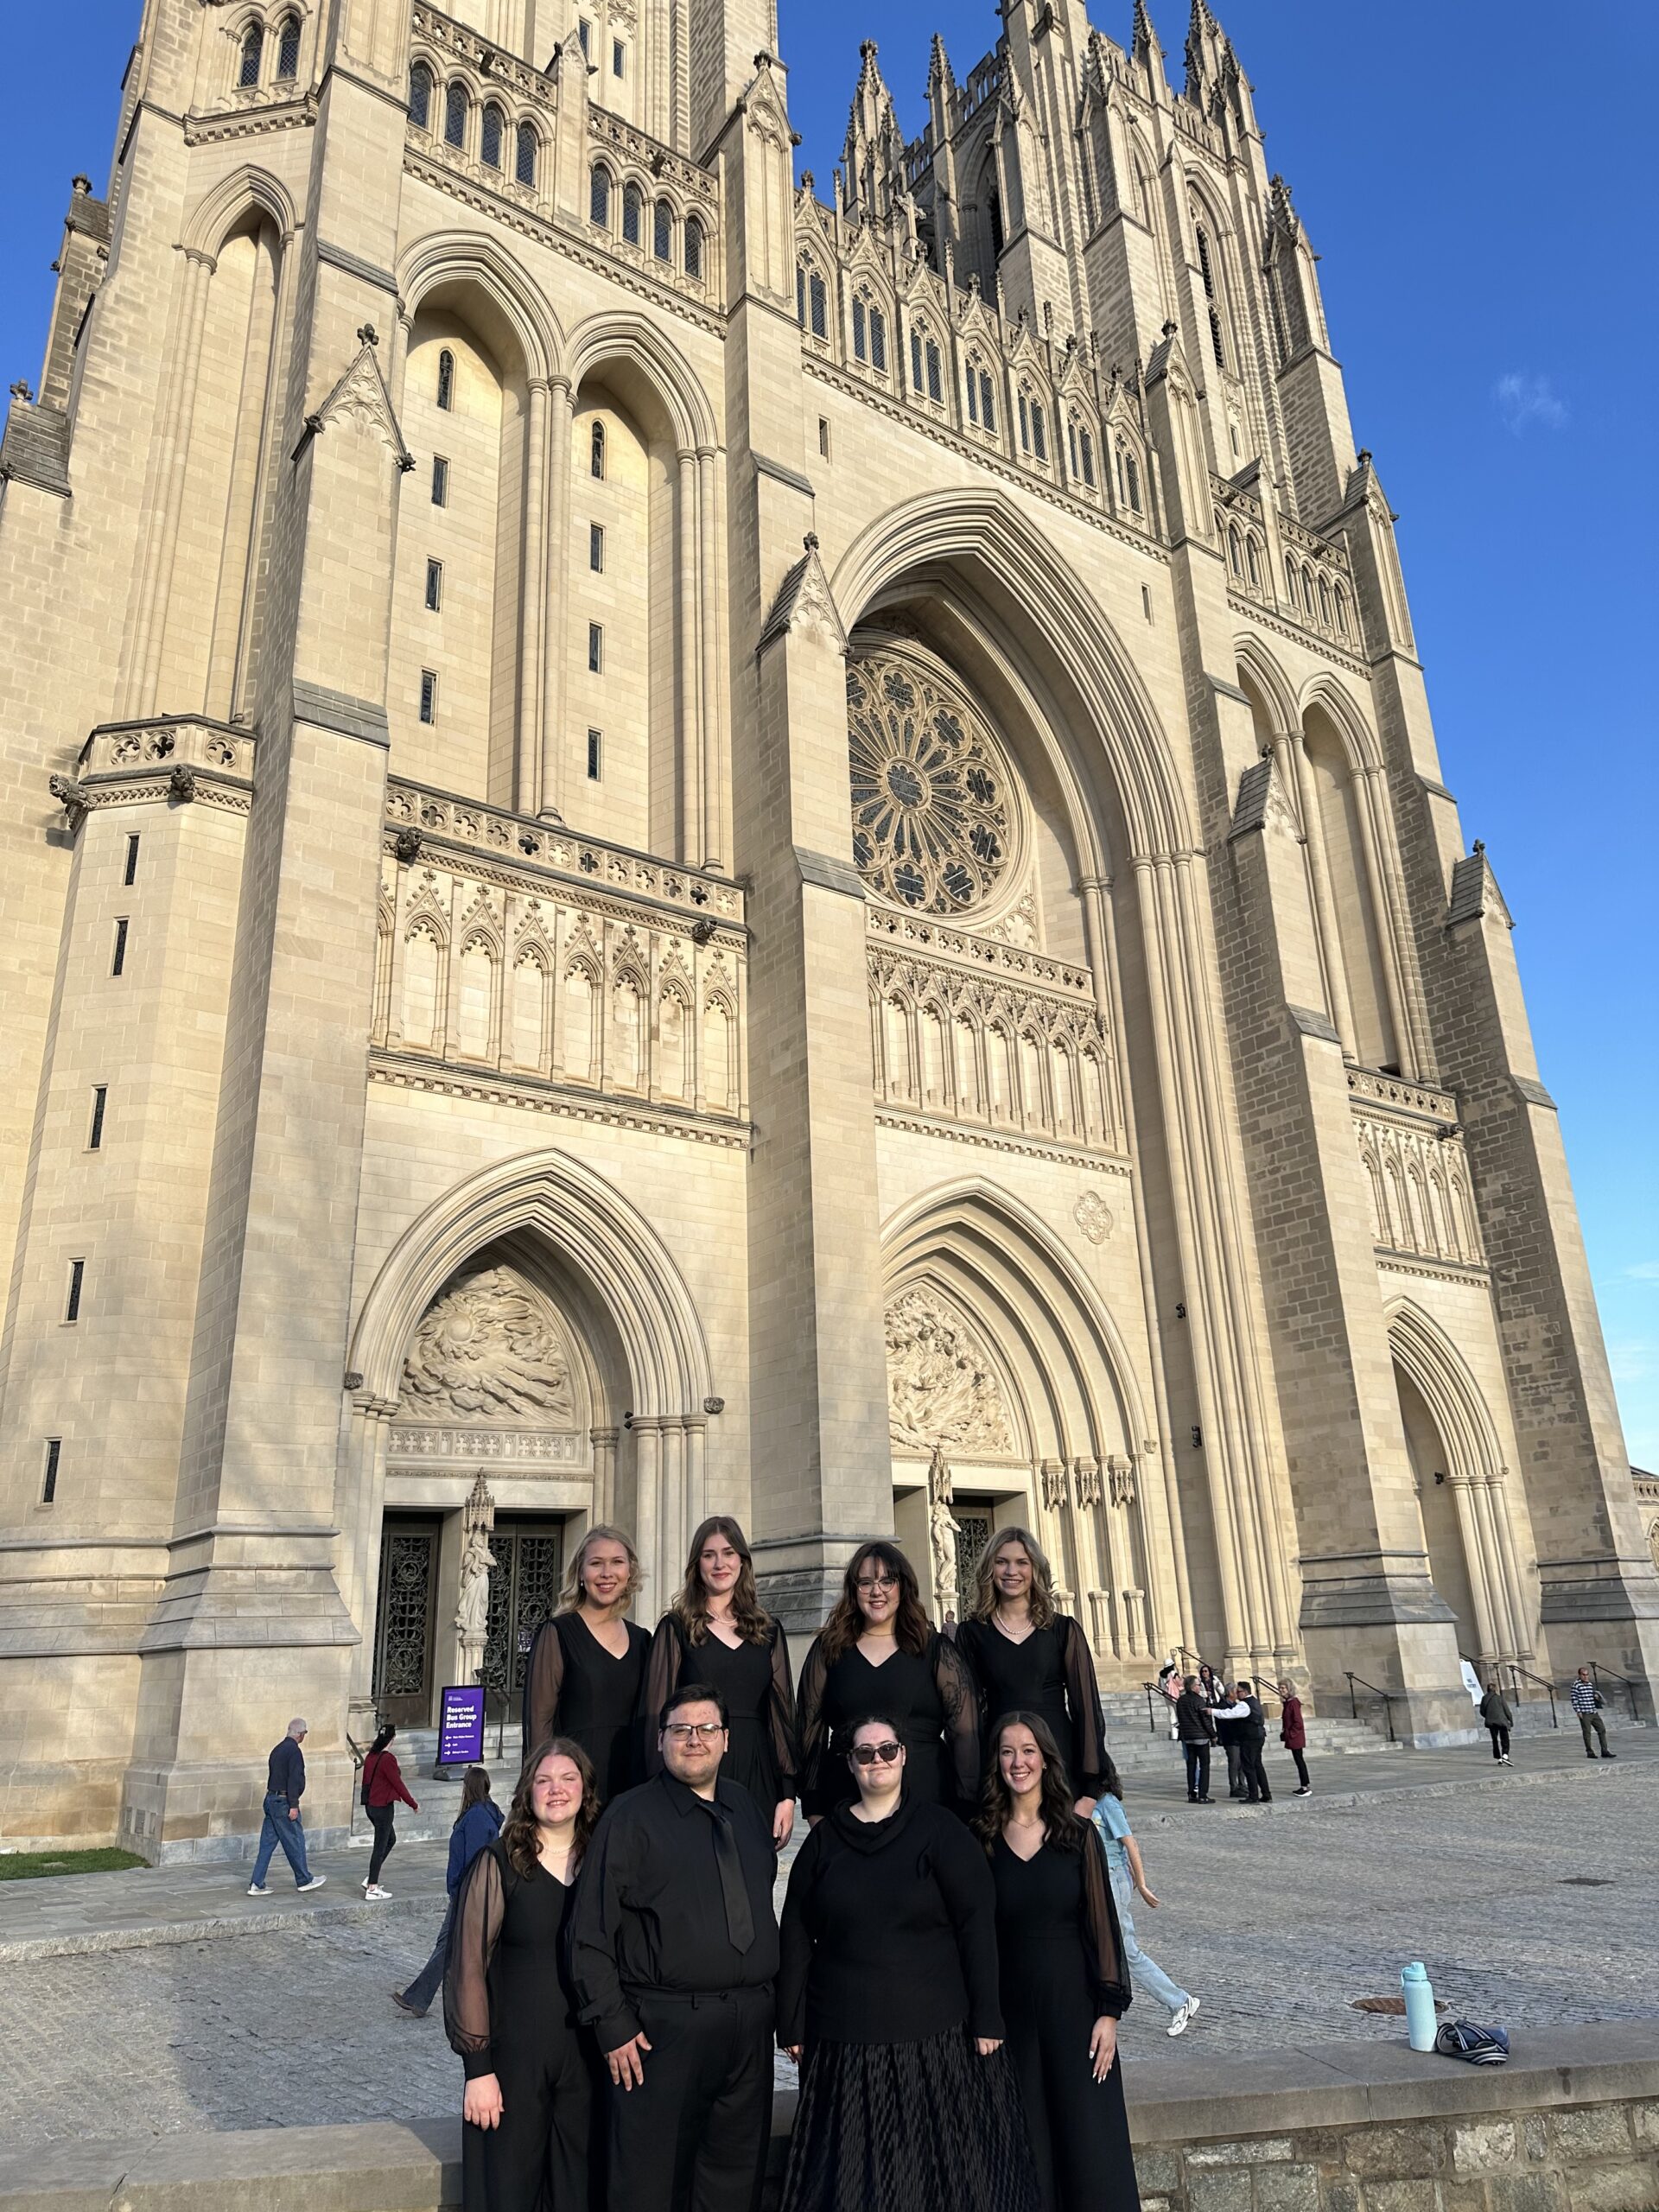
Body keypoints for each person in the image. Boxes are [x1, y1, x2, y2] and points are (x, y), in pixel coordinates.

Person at [778, 1713, 1039, 2212]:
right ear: (850, 1764)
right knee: (853, 2182)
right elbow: (795, 1929)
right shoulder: (824, 1842)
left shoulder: (941, 1830)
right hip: (845, 2042)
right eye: (864, 1753)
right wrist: (791, 2022)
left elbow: (976, 1923)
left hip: (935, 2038)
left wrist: (987, 2014)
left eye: (886, 1750)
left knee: (943, 2178)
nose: (876, 1760)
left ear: (903, 1756)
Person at [569, 1685, 780, 2212]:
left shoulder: (744, 1806)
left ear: (726, 1740)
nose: (694, 1739)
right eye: (680, 1730)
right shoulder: (629, 1817)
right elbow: (589, 1932)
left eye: (707, 1729)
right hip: (661, 2033)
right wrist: (613, 2024)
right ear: (660, 1741)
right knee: (650, 2184)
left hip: (748, 2028)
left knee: (735, 2181)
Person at [980, 1715, 1138, 2212]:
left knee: (1088, 2144)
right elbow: (974, 1935)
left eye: (1028, 1751)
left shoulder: (1077, 1834)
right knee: (1026, 2147)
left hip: (1075, 2009)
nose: (1018, 1762)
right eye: (1007, 1751)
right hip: (1012, 2014)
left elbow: (1102, 1927)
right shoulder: (982, 1838)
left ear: (1046, 1760)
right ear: (996, 1763)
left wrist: (1108, 2013)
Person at [444, 1738, 602, 2212]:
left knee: (579, 2191)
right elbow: (467, 1967)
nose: (557, 1790)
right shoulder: (498, 1863)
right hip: (514, 2062)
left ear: (585, 1790)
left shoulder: (603, 1864)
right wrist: (478, 2071)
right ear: (527, 1792)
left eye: (568, 1779)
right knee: (509, 2192)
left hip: (587, 2061)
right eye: (544, 1780)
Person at [643, 1516, 798, 1847]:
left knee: (754, 1869)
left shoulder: (769, 1631)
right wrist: (658, 1791)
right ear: (696, 1564)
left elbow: (781, 1715)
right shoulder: (676, 1628)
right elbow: (656, 1715)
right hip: (695, 1767)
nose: (719, 1564)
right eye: (708, 1555)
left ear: (742, 1561)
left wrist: (787, 1794)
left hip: (757, 1771)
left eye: (728, 1553)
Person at [796, 1541, 978, 1821]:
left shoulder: (935, 1649)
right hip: (845, 1804)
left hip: (927, 1802)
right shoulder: (829, 1649)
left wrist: (965, 1808)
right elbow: (810, 1729)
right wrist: (813, 1807)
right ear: (853, 1590)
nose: (876, 1591)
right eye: (865, 1583)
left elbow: (964, 1732)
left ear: (902, 1586)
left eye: (887, 1581)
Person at [954, 1525, 1107, 1816]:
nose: (1011, 1571)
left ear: (1035, 1569)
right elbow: (966, 1716)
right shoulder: (971, 1633)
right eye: (1002, 1562)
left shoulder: (1063, 1629)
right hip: (1000, 1763)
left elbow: (1086, 1709)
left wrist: (1090, 1790)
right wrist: (968, 1784)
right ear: (989, 1569)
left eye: (1021, 1562)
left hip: (1057, 1758)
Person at [520, 1524, 652, 1805]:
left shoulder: (643, 1640)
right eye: (596, 1563)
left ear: (630, 1571)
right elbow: (540, 1723)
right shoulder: (557, 1633)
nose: (606, 1573)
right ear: (581, 1573)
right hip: (576, 1785)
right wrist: (543, 1790)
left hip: (633, 1787)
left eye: (617, 1562)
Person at [1089, 1754, 1198, 2037]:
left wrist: (1142, 1883)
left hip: (1113, 1879)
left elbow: (1130, 1844)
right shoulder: (1087, 1802)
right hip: (1099, 1880)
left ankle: (1179, 2001)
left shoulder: (1108, 1803)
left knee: (1127, 1951)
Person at [395, 1766, 502, 2018]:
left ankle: (420, 1999)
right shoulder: (481, 1813)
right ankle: (419, 2000)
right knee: (448, 1944)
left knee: (451, 1946)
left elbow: (474, 1860)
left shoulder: (477, 1817)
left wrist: (464, 1891)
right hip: (465, 1891)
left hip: (468, 1892)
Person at [247, 1718, 327, 1895]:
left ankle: (256, 1883)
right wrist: (294, 1805)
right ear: (301, 1734)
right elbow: (294, 1779)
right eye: (304, 1733)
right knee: (295, 1840)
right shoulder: (294, 1751)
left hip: (271, 1799)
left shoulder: (277, 1749)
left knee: (267, 1844)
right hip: (284, 1802)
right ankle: (304, 1879)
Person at [361, 1722, 420, 1899]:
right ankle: (372, 1888)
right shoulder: (387, 1759)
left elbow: (366, 1781)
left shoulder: (371, 1756)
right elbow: (398, 1784)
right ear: (392, 1739)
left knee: (390, 1839)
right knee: (380, 1845)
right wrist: (413, 1804)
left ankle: (371, 1878)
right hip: (383, 1807)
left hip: (371, 1805)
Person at [1217, 1681, 1272, 1804]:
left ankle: (1253, 1796)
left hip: (1249, 1738)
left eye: (1239, 1691)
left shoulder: (1245, 1704)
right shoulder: (1254, 1701)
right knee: (1257, 1765)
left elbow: (1229, 1714)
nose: (1237, 1694)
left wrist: (1213, 1711)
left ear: (1245, 1692)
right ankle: (1266, 1794)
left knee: (1248, 1766)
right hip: (1258, 1736)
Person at [1173, 1676, 1216, 1805]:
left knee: (1191, 1766)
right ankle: (1203, 1795)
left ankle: (1192, 1794)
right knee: (1204, 1765)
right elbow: (1205, 1720)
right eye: (1198, 1685)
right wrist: (1213, 1734)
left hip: (1188, 1737)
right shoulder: (1198, 1700)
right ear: (1192, 1687)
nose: (1199, 1687)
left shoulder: (1181, 1700)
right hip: (1200, 1736)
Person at [1571, 1668, 1616, 1760]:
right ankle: (1590, 1752)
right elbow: (1574, 1699)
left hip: (1593, 1711)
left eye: (1587, 1674)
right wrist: (1578, 1711)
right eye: (1583, 1675)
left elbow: (1591, 1697)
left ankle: (1604, 1751)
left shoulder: (1590, 1684)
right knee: (1587, 1733)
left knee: (1602, 1730)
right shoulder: (1576, 1685)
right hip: (1585, 1713)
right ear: (1579, 1675)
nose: (1586, 1676)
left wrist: (1596, 1697)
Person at [1212, 1686, 1247, 1800]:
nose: (1237, 1693)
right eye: (1236, 1691)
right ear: (1230, 1693)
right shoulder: (1222, 1705)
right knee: (1234, 1762)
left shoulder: (1237, 1704)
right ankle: (1234, 1787)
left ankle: (1242, 1785)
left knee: (1241, 1763)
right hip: (1230, 1738)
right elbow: (1223, 1722)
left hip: (1239, 1737)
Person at [1278, 1681, 1311, 1795]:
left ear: (1289, 1689)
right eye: (1280, 1688)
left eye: (1283, 1688)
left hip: (1295, 1737)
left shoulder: (1293, 1703)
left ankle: (1305, 1787)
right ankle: (1305, 1785)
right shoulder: (1287, 1703)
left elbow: (1298, 1722)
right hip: (1292, 1736)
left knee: (1300, 1761)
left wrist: (1290, 1734)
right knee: (1298, 1761)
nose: (1281, 1690)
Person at [1478, 1681, 1514, 1765]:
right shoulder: (1499, 1698)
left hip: (1490, 1722)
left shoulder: (1484, 1698)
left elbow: (1482, 1711)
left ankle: (1499, 1757)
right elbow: (1507, 1710)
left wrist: (1488, 1716)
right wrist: (1511, 1720)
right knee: (1504, 1738)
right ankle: (1505, 1755)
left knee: (1495, 1739)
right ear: (1495, 1689)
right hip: (1501, 1721)